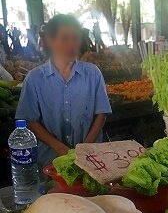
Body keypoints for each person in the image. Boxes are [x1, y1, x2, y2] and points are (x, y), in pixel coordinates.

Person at [15, 14, 111, 170]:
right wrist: (60, 148)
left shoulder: (93, 74)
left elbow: (101, 113)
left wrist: (84, 148)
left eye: (75, 38)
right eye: (65, 38)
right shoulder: (35, 79)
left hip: (91, 159)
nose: (72, 44)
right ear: (50, 41)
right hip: (51, 161)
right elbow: (30, 121)